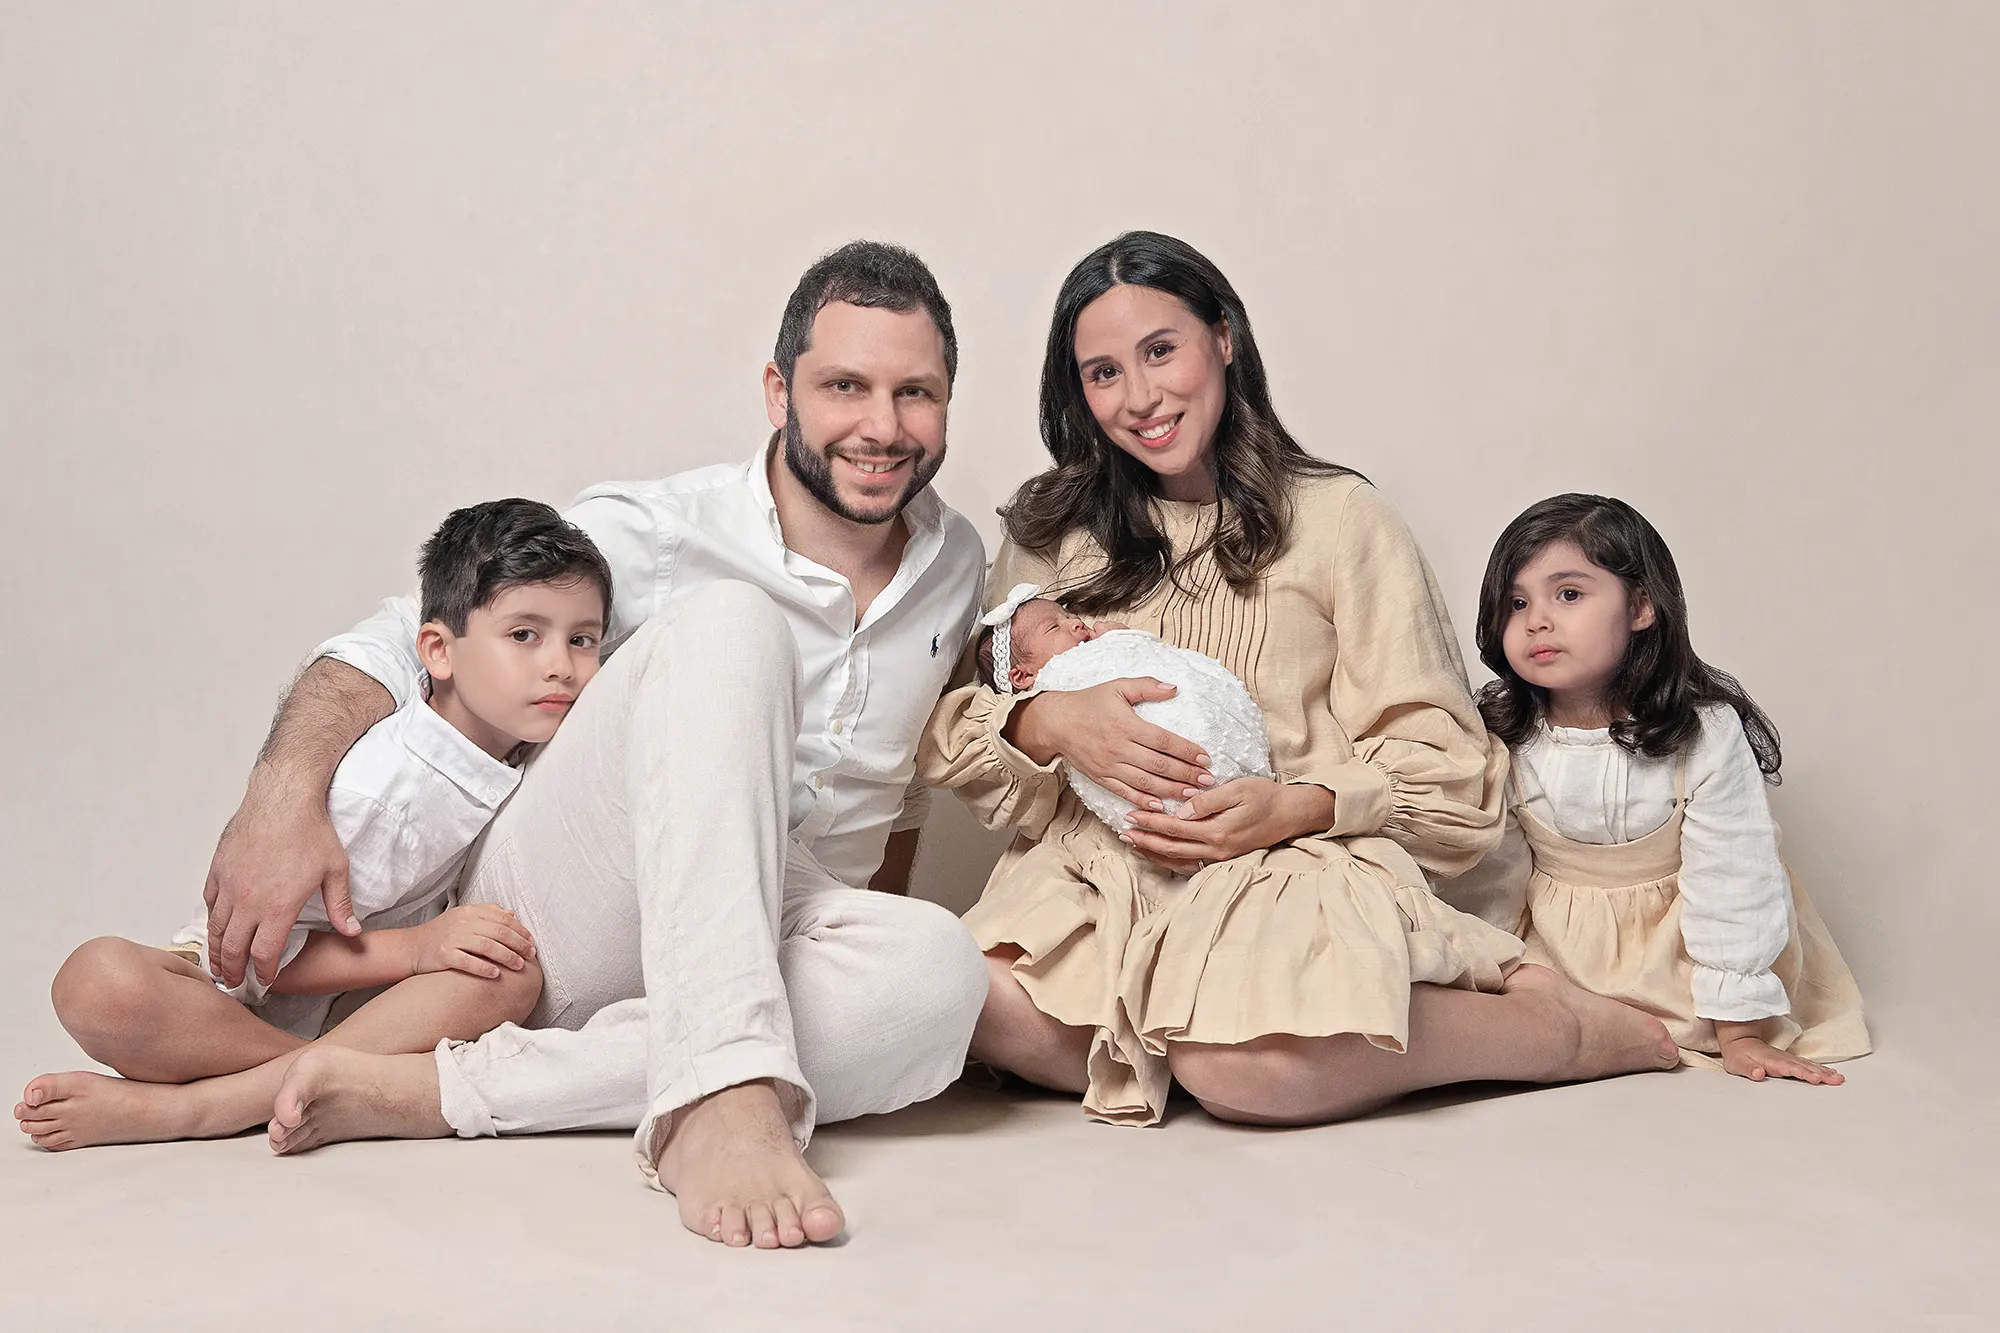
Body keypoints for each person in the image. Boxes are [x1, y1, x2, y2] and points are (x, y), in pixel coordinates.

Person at [156, 241, 986, 1250]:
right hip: (567, 897)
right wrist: (279, 793)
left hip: (762, 913)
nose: (882, 426)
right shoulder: (663, 529)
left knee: (938, 978)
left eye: (916, 393)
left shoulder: (953, 564)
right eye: (844, 385)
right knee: (731, 624)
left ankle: (433, 1089)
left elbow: (893, 798)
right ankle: (714, 1092)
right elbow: (406, 633)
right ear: (778, 391)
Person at [921, 230, 1680, 1129]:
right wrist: (1049, 724)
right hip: (1097, 883)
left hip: (1283, 872)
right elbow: (965, 721)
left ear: (1225, 339)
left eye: (1162, 351)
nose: (1141, 397)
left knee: (1248, 1075)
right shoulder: (1052, 531)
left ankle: (1558, 1031)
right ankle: (1197, 1037)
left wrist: (1301, 805)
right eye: (1103, 372)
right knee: (955, 999)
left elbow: (1449, 768)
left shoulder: (1341, 518)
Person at [16, 499, 607, 1148]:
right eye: (525, 635)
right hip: (227, 1000)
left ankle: (218, 1100)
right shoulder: (384, 793)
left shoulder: (513, 745)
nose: (561, 664)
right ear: (438, 650)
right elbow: (257, 961)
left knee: (510, 973)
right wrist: (417, 948)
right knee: (95, 980)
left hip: (352, 1010)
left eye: (582, 639)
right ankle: (237, 1096)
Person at [1474, 493, 1870, 1081]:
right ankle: (1581, 1027)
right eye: (1516, 603)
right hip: (1559, 948)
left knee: (1712, 964)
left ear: (1640, 607)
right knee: (1514, 1027)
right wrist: (1491, 968)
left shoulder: (1704, 732)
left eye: (1570, 595)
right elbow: (1497, 871)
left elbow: (1733, 875)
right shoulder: (1504, 732)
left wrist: (1740, 1034)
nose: (1537, 620)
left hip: (1688, 949)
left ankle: (1681, 1027)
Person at [973, 582, 1272, 831]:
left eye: (1068, 615)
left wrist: (1123, 640)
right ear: (1023, 676)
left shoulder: (1099, 646)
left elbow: (1154, 661)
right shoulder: (1053, 684)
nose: (1076, 622)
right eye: (1054, 627)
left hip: (1244, 783)